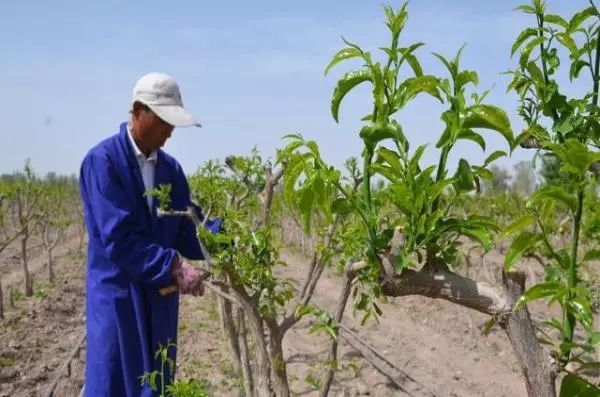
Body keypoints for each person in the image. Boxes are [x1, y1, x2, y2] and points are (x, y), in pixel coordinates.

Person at [79, 72, 208, 396]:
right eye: (164, 120)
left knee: (156, 383)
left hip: (160, 301)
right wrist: (175, 268)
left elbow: (185, 228)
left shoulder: (171, 170)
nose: (170, 131)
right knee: (114, 382)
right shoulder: (103, 162)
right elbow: (119, 238)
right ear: (138, 111)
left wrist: (225, 241)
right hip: (119, 300)